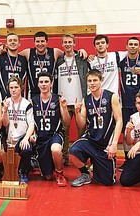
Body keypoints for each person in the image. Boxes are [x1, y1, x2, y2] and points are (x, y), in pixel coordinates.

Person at [69, 69, 122, 187]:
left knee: (107, 182)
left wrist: (114, 144)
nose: (92, 83)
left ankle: (98, 163)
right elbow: (82, 124)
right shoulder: (86, 100)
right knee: (73, 152)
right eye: (89, 81)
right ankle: (85, 174)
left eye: (95, 80)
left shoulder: (111, 97)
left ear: (101, 81)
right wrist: (77, 113)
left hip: (105, 143)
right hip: (91, 140)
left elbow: (119, 121)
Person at [118, 37, 140, 171]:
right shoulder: (121, 60)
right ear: (126, 46)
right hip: (125, 102)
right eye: (130, 44)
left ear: (139, 46)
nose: (133, 46)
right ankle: (128, 160)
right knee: (127, 131)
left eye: (136, 45)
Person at [19, 31, 87, 98]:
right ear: (34, 42)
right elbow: (13, 55)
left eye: (42, 41)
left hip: (50, 93)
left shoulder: (55, 52)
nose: (40, 44)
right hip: (33, 93)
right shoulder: (28, 53)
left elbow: (68, 53)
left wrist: (80, 51)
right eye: (37, 41)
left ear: (47, 42)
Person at [32, 72, 71, 186]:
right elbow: (31, 122)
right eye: (41, 82)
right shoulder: (33, 101)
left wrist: (64, 108)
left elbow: (67, 121)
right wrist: (33, 134)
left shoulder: (58, 99)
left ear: (51, 83)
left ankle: (59, 173)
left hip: (55, 135)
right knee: (47, 177)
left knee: (56, 149)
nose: (44, 85)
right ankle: (47, 167)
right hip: (41, 138)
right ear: (38, 84)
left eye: (46, 82)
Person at [55, 33, 88, 166]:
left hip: (79, 101)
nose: (67, 44)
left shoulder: (81, 58)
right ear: (62, 44)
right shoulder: (59, 60)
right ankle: (64, 158)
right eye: (65, 42)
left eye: (70, 42)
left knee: (82, 132)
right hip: (64, 102)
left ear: (74, 43)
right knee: (64, 131)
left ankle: (81, 158)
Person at [2, 76, 35, 183]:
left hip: (22, 137)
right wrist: (5, 110)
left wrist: (26, 138)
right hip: (10, 140)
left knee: (26, 149)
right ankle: (27, 166)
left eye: (16, 87)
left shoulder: (27, 104)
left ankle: (23, 171)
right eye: (11, 87)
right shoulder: (6, 103)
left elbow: (31, 124)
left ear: (21, 88)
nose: (13, 90)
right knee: (10, 168)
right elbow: (5, 123)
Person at [0, 33, 28, 101]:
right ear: (6, 44)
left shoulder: (24, 60)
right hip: (2, 98)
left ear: (19, 43)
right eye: (10, 40)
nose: (12, 42)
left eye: (15, 40)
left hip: (19, 99)